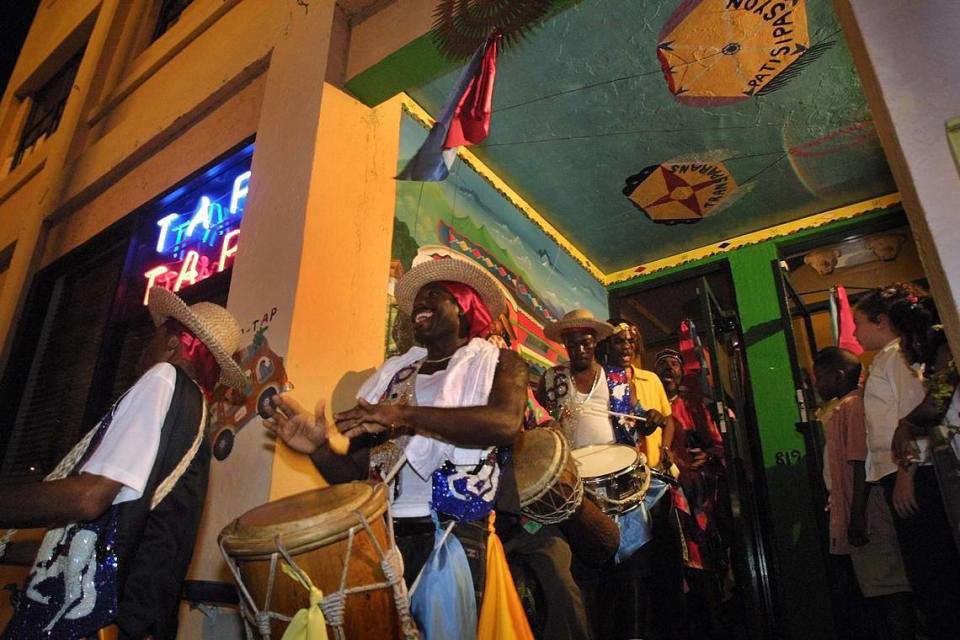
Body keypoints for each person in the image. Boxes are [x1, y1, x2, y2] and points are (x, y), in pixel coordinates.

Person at [264, 257, 590, 639]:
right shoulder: (391, 378)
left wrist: (405, 415)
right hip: (383, 536)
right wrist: (318, 448)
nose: (420, 303)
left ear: (466, 307)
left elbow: (503, 424)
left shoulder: (501, 363)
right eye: (418, 298)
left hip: (455, 532)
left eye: (434, 295)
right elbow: (351, 474)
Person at [0, 287, 246, 639]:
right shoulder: (191, 413)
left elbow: (90, 498)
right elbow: (103, 536)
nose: (144, 348)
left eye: (155, 336)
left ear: (174, 347)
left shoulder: (163, 378)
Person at [536, 311, 678, 640]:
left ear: (595, 341)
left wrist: (649, 418)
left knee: (632, 570)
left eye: (585, 341)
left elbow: (636, 417)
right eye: (572, 343)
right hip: (577, 488)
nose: (579, 348)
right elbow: (543, 417)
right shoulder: (552, 380)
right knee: (586, 574)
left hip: (619, 483)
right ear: (565, 345)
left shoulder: (616, 379)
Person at [854, 283, 960, 639]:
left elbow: (916, 414)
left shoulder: (899, 355)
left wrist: (906, 475)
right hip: (902, 470)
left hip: (913, 473)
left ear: (881, 321)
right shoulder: (889, 357)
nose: (855, 332)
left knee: (932, 567)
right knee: (924, 568)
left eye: (859, 323)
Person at [812, 347, 913, 640]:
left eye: (820, 378)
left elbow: (859, 462)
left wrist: (857, 515)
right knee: (874, 585)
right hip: (855, 510)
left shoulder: (853, 407)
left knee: (888, 585)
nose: (817, 385)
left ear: (839, 375)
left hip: (868, 513)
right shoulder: (843, 407)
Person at [656, 348, 731, 638]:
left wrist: (709, 457)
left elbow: (719, 445)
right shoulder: (653, 407)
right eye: (662, 365)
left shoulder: (692, 406)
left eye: (674, 365)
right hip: (663, 494)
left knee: (703, 566)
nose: (668, 370)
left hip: (696, 494)